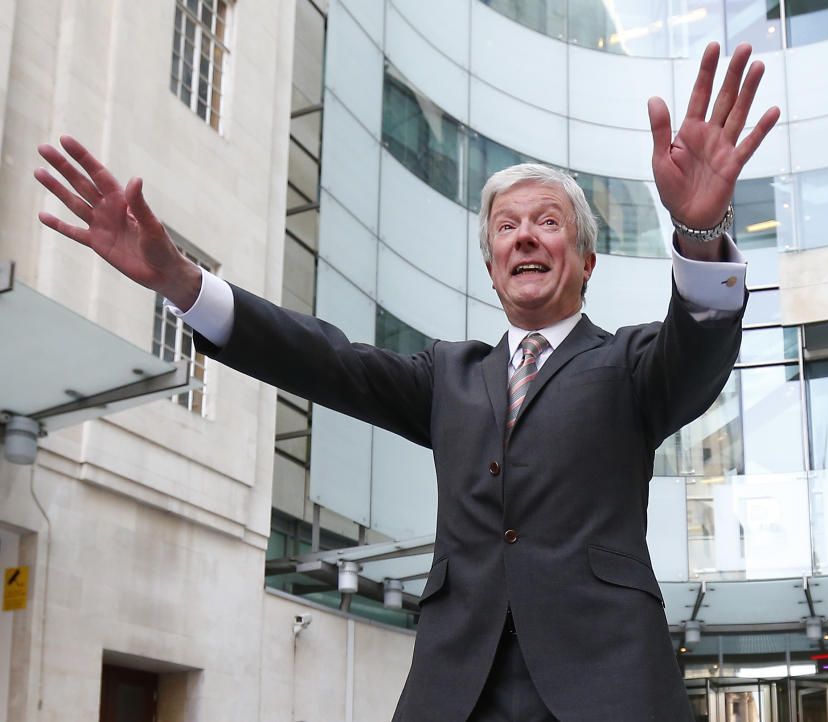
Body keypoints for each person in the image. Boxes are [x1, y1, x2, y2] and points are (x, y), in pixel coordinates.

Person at [36, 42, 779, 722]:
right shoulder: (447, 377)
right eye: (506, 228)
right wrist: (181, 281)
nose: (524, 235)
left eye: (548, 222)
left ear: (586, 261)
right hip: (457, 689)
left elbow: (701, 345)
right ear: (491, 268)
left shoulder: (632, 367)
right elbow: (324, 360)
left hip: (609, 685)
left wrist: (699, 236)